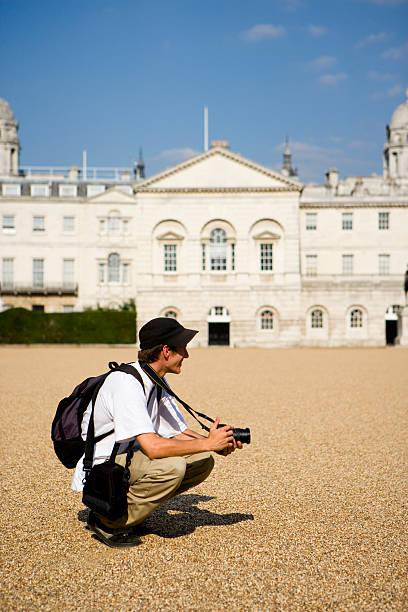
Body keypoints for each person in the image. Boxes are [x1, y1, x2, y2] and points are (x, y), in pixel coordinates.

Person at [72, 317, 242, 548]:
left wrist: (216, 442)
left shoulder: (155, 379)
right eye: (182, 348)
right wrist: (207, 443)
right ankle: (108, 520)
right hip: (105, 467)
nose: (187, 355)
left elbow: (178, 433)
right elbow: (152, 447)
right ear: (165, 351)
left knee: (202, 460)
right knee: (174, 467)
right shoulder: (126, 383)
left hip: (128, 458)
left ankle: (133, 512)